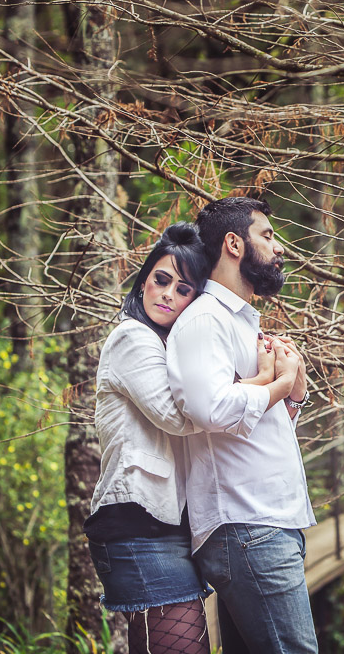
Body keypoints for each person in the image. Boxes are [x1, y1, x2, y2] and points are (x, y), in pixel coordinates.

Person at [84, 222, 301, 654]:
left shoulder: (175, 346)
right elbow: (181, 417)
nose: (168, 294)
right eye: (161, 280)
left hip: (175, 526)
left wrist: (284, 392)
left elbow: (218, 416)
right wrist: (270, 381)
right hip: (137, 524)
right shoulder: (131, 338)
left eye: (183, 289)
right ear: (143, 281)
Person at [167, 196, 317, 654]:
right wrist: (279, 383)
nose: (279, 247)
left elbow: (253, 430)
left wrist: (294, 394)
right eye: (267, 235)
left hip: (267, 525)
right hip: (248, 526)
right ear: (234, 244)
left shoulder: (242, 324)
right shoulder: (205, 321)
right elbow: (211, 409)